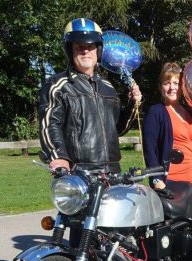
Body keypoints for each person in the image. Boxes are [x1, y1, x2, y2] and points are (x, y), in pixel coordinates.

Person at [38, 18, 142, 172]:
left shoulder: (108, 88)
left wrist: (133, 104)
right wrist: (59, 157)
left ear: (98, 50)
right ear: (70, 49)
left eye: (90, 46)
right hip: (78, 173)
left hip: (113, 171)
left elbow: (118, 129)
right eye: (79, 46)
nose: (85, 51)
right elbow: (49, 125)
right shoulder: (57, 85)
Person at [142, 62, 192, 191]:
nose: (172, 88)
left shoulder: (190, 112)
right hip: (169, 181)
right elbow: (149, 150)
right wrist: (156, 180)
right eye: (166, 83)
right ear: (160, 87)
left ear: (182, 87)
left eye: (176, 83)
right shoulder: (156, 112)